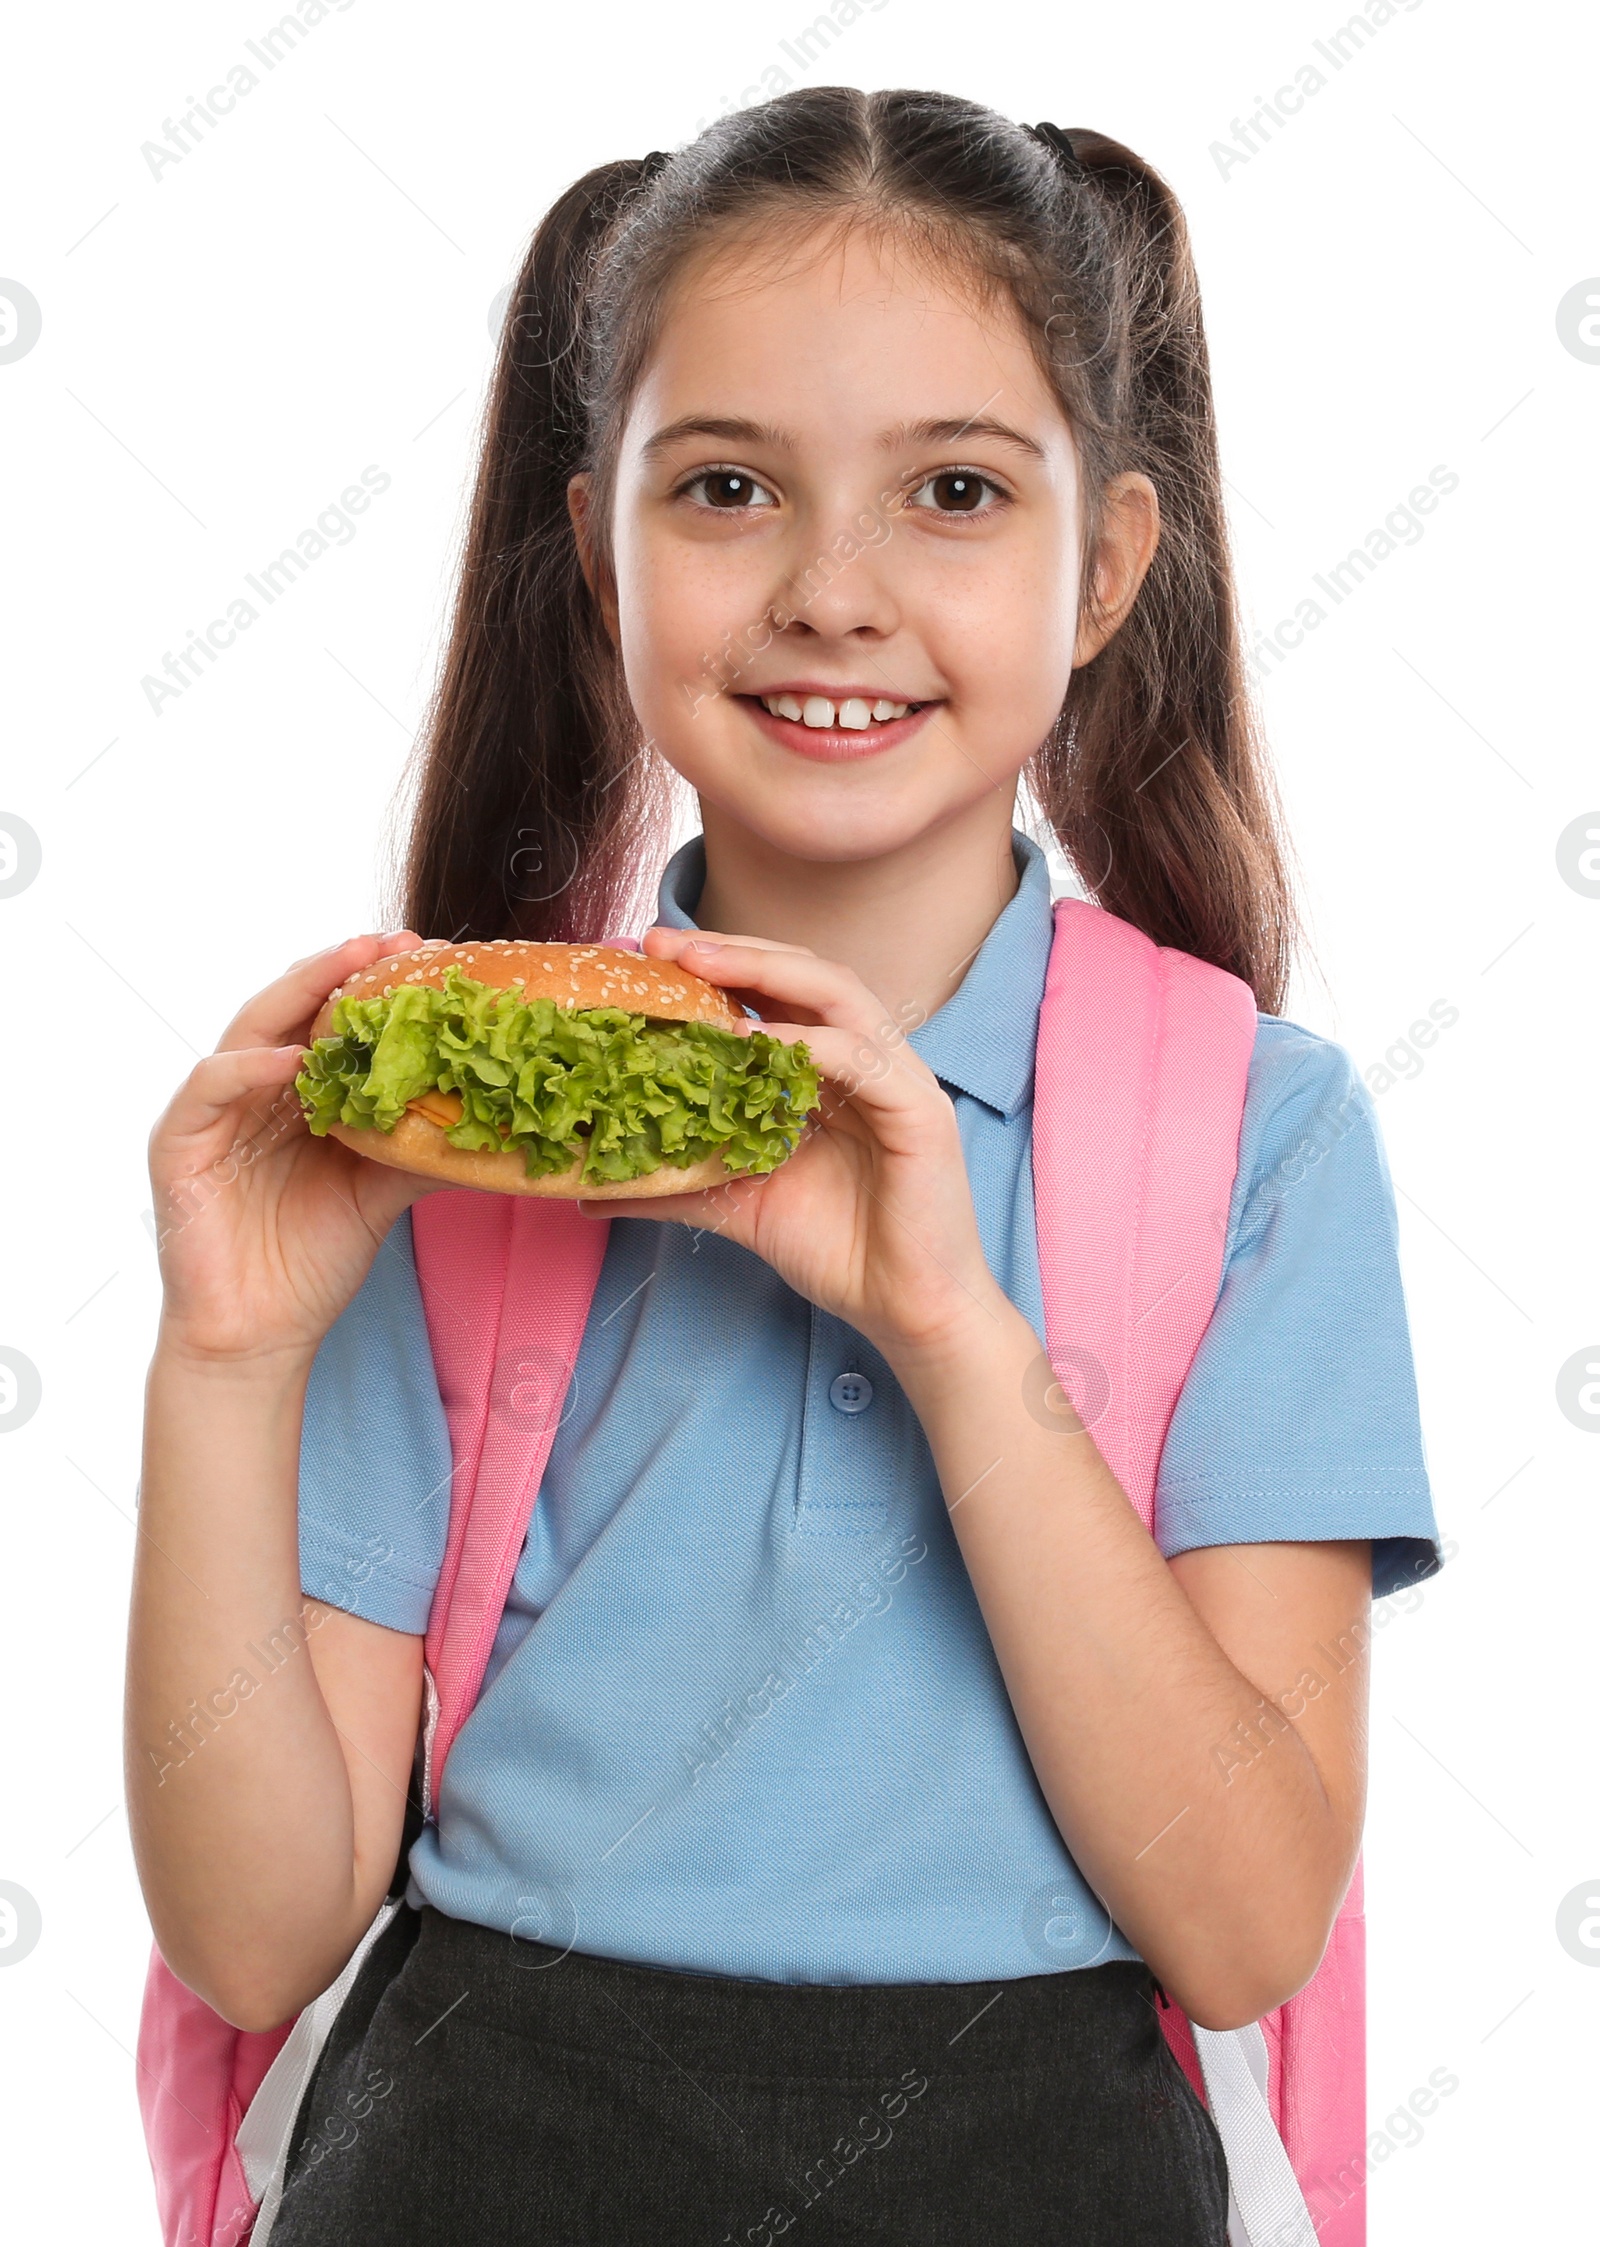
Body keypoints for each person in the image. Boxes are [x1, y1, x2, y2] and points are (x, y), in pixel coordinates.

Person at [127, 87, 1442, 2246]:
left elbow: (1240, 1924)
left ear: (1103, 562)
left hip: (1038, 2158)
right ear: (599, 544)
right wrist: (222, 1359)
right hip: (488, 2148)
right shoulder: (451, 1136)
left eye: (949, 491)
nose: (833, 591)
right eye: (725, 487)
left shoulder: (1252, 1136)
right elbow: (259, 1938)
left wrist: (945, 1325)